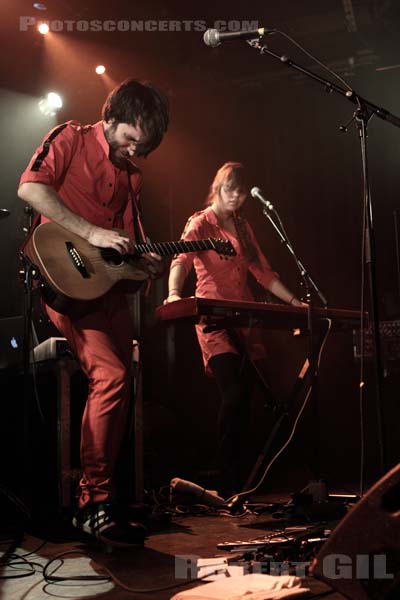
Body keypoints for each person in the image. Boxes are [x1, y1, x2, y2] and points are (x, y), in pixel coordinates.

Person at [18, 79, 169, 546]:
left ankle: (108, 499)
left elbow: (125, 246)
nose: (133, 151)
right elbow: (29, 189)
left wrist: (144, 265)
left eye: (142, 147)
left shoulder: (131, 175)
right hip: (62, 282)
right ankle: (93, 503)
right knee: (112, 376)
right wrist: (91, 232)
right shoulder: (70, 137)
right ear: (112, 117)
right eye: (130, 140)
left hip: (104, 291)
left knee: (127, 378)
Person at [165, 162, 304, 496]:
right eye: (231, 190)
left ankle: (242, 478)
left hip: (245, 317)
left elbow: (262, 271)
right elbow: (180, 260)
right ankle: (227, 479)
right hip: (214, 319)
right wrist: (173, 294)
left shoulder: (243, 227)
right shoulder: (200, 222)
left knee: (251, 398)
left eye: (242, 192)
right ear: (218, 187)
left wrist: (295, 303)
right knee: (234, 393)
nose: (237, 197)